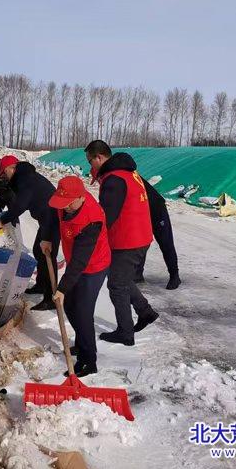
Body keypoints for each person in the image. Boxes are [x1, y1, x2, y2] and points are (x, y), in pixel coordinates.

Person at [85, 140, 158, 345]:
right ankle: (146, 312)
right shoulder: (129, 173)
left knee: (117, 285)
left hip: (127, 241)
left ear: (99, 157)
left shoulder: (114, 179)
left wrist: (89, 239)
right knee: (121, 279)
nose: (90, 165)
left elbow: (106, 216)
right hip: (139, 236)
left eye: (90, 161)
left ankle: (125, 333)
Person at [49, 175, 110, 377]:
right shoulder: (65, 204)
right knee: (69, 305)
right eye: (62, 202)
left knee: (83, 312)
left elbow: (79, 262)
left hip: (93, 267)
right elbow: (53, 220)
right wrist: (47, 238)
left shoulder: (92, 219)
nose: (64, 207)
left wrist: (62, 288)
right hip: (76, 263)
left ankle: (88, 361)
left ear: (81, 197)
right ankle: (83, 341)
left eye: (68, 203)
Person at [0, 155, 60, 311]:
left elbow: (21, 205)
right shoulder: (23, 176)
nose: (4, 176)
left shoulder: (25, 178)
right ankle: (41, 285)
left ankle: (51, 298)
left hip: (53, 218)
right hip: (46, 218)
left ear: (11, 168)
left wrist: (3, 220)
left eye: (4, 172)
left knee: (48, 255)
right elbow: (17, 197)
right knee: (38, 250)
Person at [134, 179, 181, 289]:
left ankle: (174, 275)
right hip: (141, 211)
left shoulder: (122, 175)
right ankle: (137, 275)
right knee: (141, 242)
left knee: (165, 242)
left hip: (156, 208)